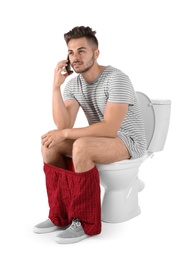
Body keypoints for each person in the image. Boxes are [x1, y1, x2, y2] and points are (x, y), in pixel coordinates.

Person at [33, 26, 147, 244]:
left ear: (96, 53)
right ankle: (61, 215)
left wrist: (65, 133)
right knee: (50, 145)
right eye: (71, 52)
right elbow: (63, 124)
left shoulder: (117, 79)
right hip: (103, 140)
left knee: (81, 146)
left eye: (81, 51)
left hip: (129, 141)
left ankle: (84, 222)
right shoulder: (74, 84)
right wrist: (56, 87)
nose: (75, 57)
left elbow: (110, 129)